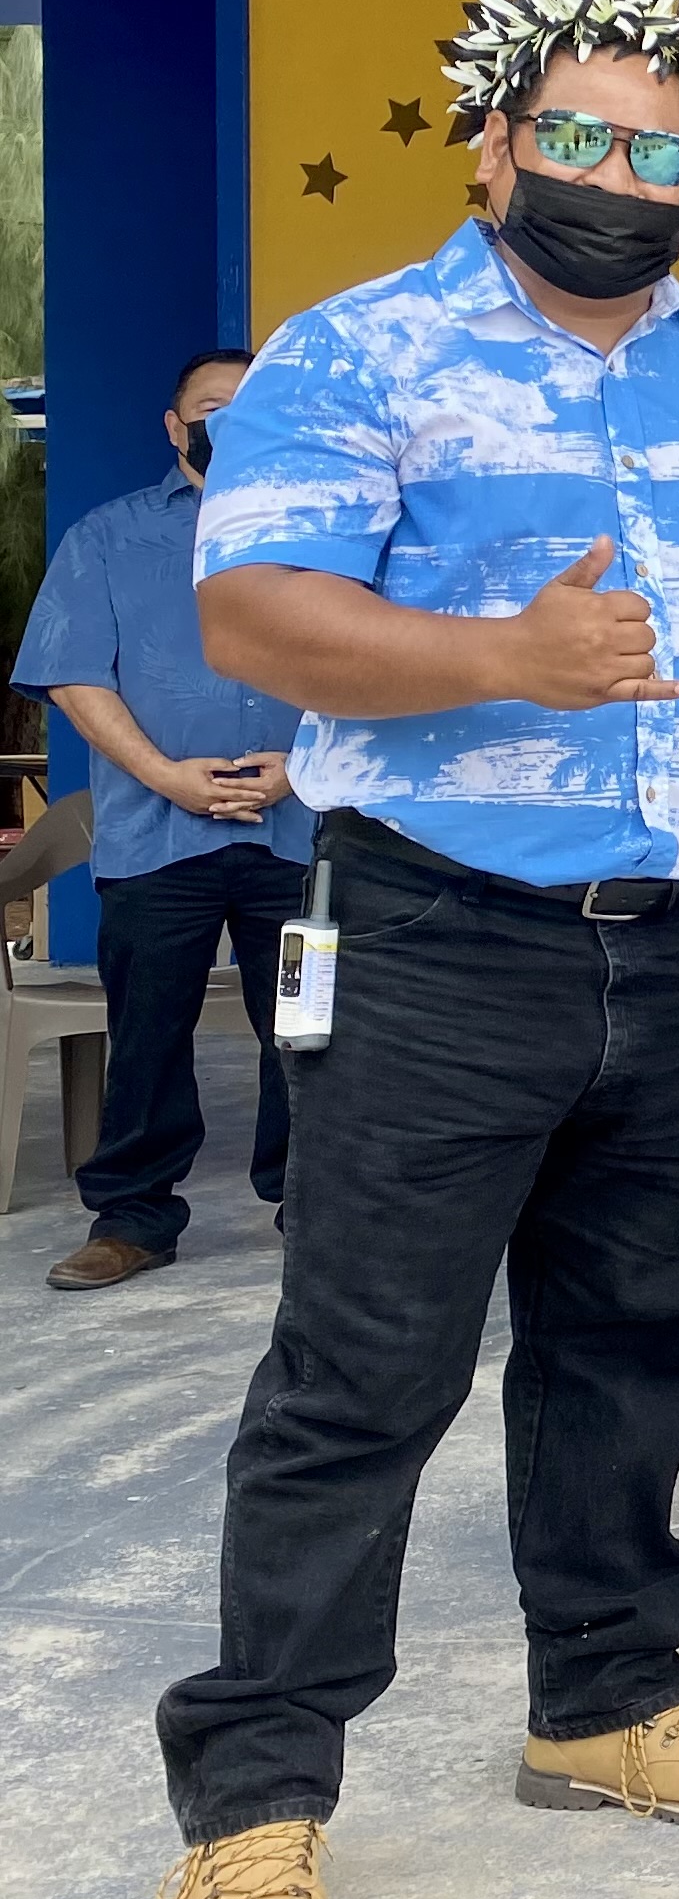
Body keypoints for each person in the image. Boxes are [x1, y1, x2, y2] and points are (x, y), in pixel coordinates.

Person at [154, 0, 679, 1899]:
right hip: (436, 934)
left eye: (658, 150)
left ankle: (606, 1697)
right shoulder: (358, 350)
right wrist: (503, 657)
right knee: (360, 1374)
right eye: (573, 135)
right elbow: (257, 608)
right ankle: (256, 1802)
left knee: (632, 1352)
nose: (613, 175)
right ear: (490, 141)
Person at [14, 348, 313, 1289]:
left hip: (299, 834)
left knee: (312, 1028)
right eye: (211, 407)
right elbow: (73, 673)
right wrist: (166, 777)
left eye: (250, 407)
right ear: (175, 426)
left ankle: (312, 1201)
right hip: (158, 834)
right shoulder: (108, 537)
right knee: (146, 1030)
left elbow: (379, 671)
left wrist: (298, 769)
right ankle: (133, 1215)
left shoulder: (323, 537)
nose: (229, 422)